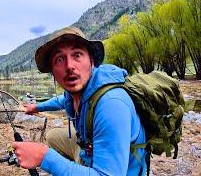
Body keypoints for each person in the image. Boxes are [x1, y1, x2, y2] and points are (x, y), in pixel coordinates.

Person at [12, 27, 147, 175]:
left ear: (92, 61)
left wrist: (44, 157)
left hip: (124, 171)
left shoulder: (111, 104)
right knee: (52, 137)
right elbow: (61, 101)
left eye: (77, 55)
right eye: (60, 59)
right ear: (53, 72)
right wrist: (36, 107)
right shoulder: (77, 92)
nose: (69, 66)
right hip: (89, 149)